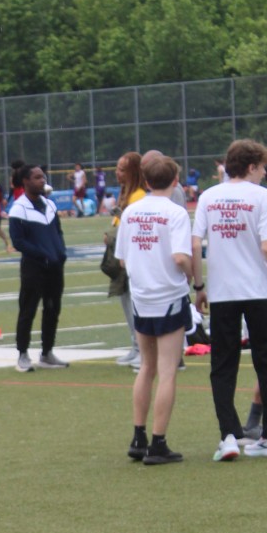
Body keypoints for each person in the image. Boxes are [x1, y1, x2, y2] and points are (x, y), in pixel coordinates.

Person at [192, 139, 267, 460]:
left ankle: (228, 435)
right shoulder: (263, 196)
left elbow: (195, 243)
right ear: (251, 166)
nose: (264, 173)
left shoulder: (209, 196)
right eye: (261, 167)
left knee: (223, 365)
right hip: (260, 291)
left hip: (223, 291)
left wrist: (199, 285)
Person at [115, 155, 193, 465]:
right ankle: (158, 442)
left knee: (146, 367)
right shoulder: (175, 212)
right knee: (167, 371)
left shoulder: (131, 211)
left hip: (142, 297)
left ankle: (139, 436)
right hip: (169, 295)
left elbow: (122, 259)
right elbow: (180, 257)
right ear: (175, 180)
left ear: (146, 181)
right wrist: (193, 277)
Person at [8, 166, 69, 372]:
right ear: (25, 181)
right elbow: (18, 241)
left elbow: (58, 232)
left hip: (55, 267)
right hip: (34, 268)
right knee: (28, 310)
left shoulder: (50, 205)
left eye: (43, 177)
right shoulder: (19, 209)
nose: (42, 180)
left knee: (52, 309)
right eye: (37, 177)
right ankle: (22, 354)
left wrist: (60, 252)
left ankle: (47, 352)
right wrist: (42, 254)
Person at [103, 153, 147, 370]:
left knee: (134, 304)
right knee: (126, 302)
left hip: (132, 259)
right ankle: (135, 346)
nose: (117, 172)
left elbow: (131, 226)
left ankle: (142, 349)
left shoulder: (138, 196)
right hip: (121, 256)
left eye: (122, 169)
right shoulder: (125, 194)